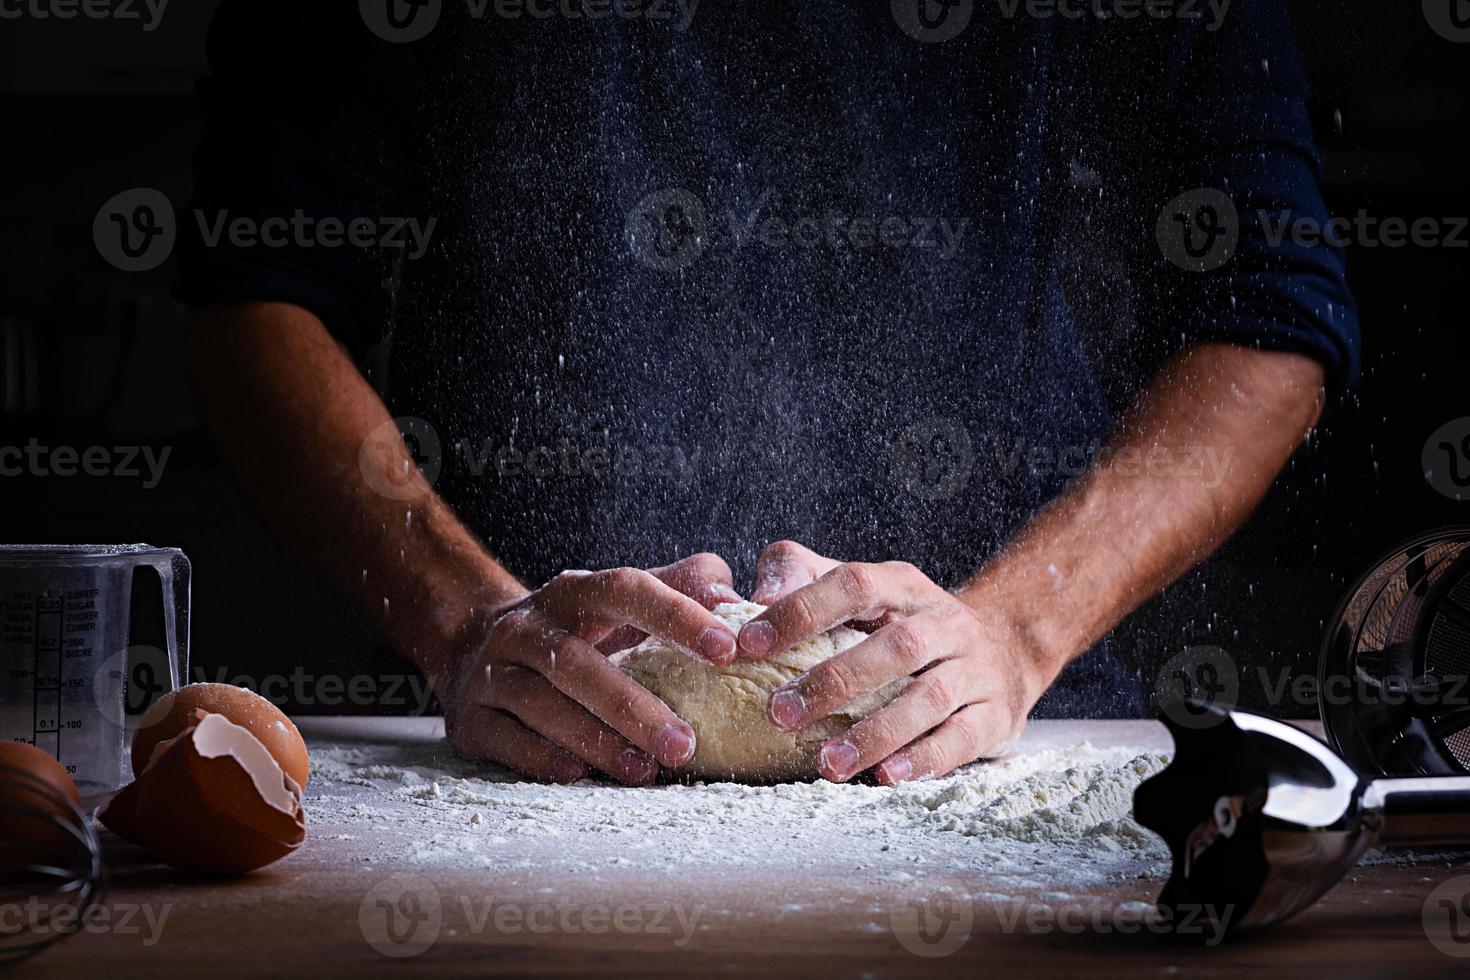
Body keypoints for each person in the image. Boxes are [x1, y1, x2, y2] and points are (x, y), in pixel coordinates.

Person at [178, 1, 1357, 787]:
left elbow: (1268, 315)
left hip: (991, 737)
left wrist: (1014, 628)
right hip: (519, 735)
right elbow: (253, 293)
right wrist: (460, 621)